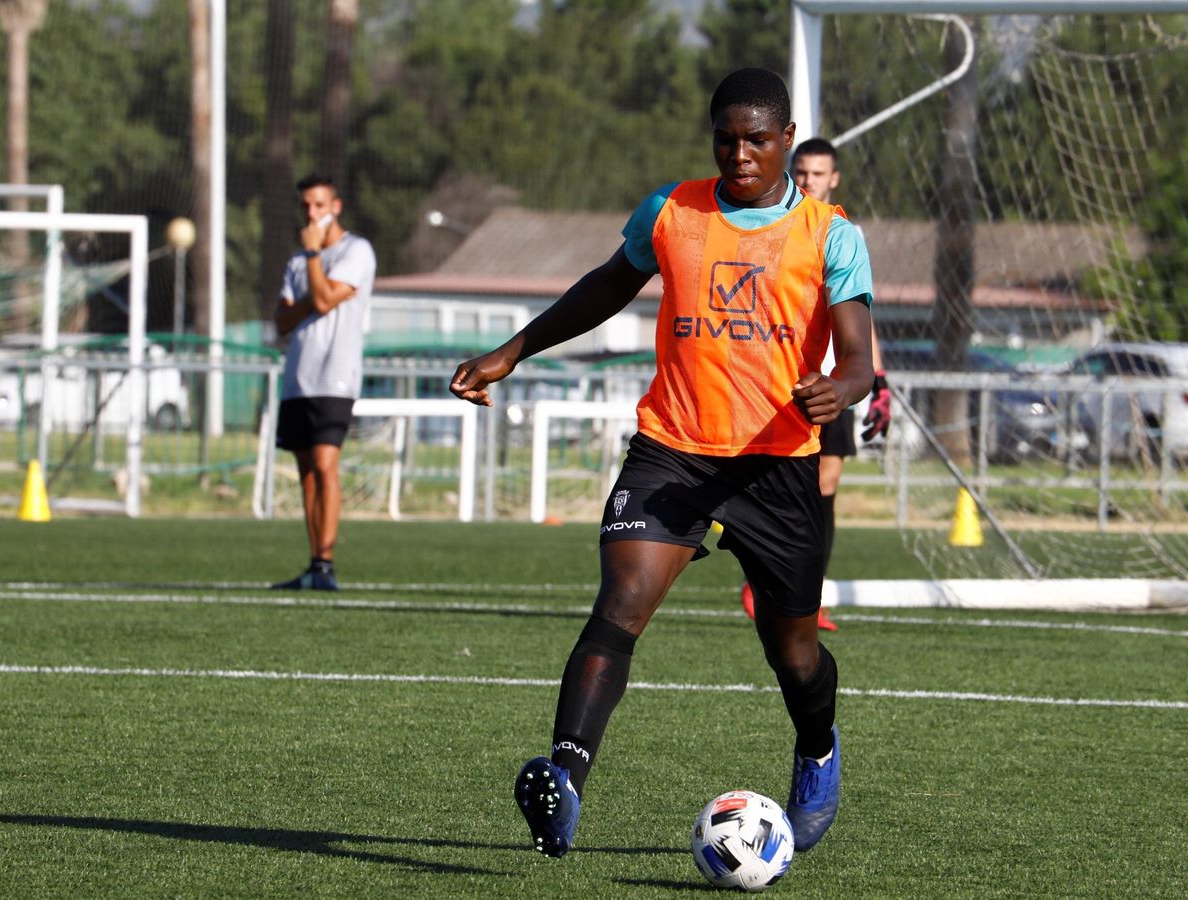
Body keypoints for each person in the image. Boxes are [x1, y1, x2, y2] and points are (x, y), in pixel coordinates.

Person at [449, 67, 874, 859]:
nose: (739, 153)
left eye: (756, 139)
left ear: (786, 139)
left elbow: (857, 358)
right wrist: (514, 350)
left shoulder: (831, 235)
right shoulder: (672, 211)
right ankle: (565, 782)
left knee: (796, 652)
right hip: (672, 448)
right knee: (621, 601)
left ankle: (816, 748)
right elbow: (605, 288)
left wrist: (838, 391)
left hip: (775, 464)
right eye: (726, 137)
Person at [738, 137, 892, 631]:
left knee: (825, 484)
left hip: (833, 385)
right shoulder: (774, 227)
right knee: (761, 480)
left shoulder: (844, 233)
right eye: (801, 171)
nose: (808, 181)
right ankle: (764, 573)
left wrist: (879, 379)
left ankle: (808, 594)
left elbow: (861, 319)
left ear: (834, 179)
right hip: (777, 377)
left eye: (818, 174)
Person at [270, 173, 376, 591]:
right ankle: (314, 563)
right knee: (306, 473)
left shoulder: (356, 251)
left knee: (325, 464)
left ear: (335, 206)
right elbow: (283, 319)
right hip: (299, 377)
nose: (311, 213)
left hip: (336, 375)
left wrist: (315, 259)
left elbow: (324, 299)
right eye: (305, 206)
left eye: (318, 205)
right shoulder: (297, 261)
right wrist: (312, 283)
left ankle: (327, 561)